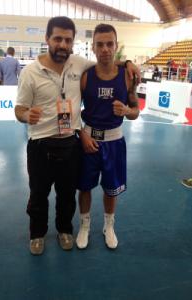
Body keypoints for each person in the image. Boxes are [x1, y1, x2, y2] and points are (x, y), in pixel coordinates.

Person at [15, 16, 141, 255]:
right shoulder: (35, 72)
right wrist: (26, 115)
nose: (62, 44)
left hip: (80, 143)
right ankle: (42, 234)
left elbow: (110, 65)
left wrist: (129, 63)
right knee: (41, 194)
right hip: (44, 143)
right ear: (47, 39)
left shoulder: (82, 65)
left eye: (67, 40)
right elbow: (19, 109)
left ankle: (75, 229)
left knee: (70, 194)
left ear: (73, 43)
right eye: (57, 38)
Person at [76, 24, 139, 250]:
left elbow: (136, 111)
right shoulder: (85, 77)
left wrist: (126, 111)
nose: (105, 49)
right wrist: (81, 133)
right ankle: (84, 225)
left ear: (116, 46)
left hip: (114, 142)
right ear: (92, 47)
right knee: (84, 187)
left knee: (111, 188)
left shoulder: (127, 77)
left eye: (109, 44)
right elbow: (73, 110)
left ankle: (108, 226)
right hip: (88, 140)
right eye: (100, 44)